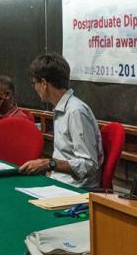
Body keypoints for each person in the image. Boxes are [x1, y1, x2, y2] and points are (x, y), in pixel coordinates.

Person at [19, 53, 103, 189]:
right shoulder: (61, 108)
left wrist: (49, 164)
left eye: (34, 83)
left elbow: (89, 165)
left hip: (76, 188)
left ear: (44, 83)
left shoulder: (75, 111)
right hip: (58, 180)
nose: (34, 88)